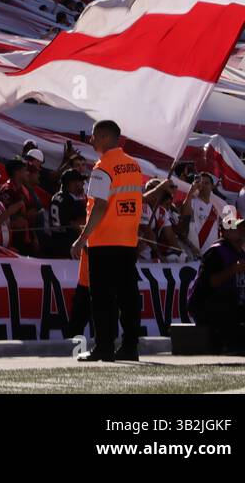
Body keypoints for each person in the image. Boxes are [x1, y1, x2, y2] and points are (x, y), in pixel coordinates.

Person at [71, 120, 143, 362]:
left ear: (103, 136)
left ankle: (104, 347)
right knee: (128, 296)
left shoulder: (103, 167)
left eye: (93, 136)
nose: (91, 141)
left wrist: (82, 238)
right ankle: (131, 346)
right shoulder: (133, 165)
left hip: (103, 242)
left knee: (102, 298)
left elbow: (100, 205)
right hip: (128, 241)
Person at [188, 212, 245, 352]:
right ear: (225, 233)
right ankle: (233, 341)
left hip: (233, 304)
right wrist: (233, 270)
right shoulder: (216, 252)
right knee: (227, 303)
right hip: (206, 306)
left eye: (243, 227)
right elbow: (208, 283)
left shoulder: (244, 254)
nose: (242, 231)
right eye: (237, 228)